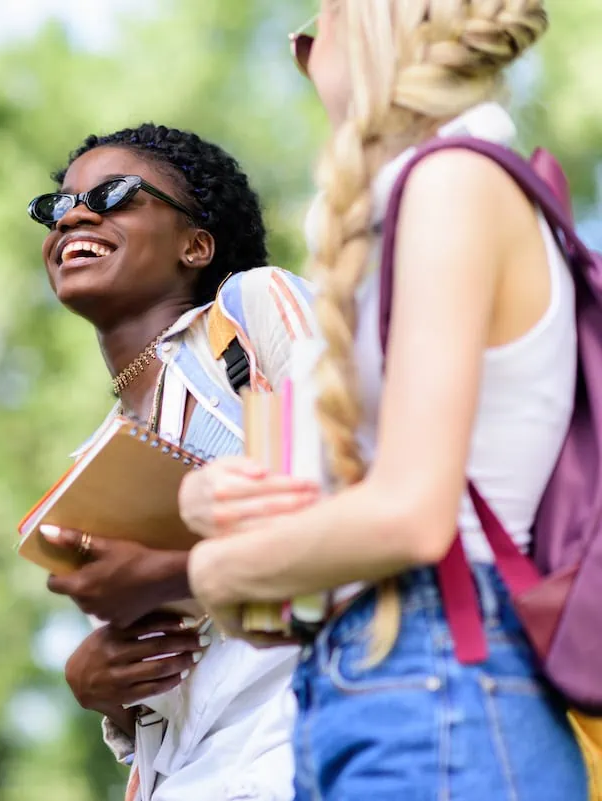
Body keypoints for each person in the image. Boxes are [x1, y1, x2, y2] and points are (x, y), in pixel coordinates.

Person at [179, 2, 589, 799]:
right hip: (389, 689)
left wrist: (217, 567)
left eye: (317, 22)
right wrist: (216, 496)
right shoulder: (431, 191)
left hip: (440, 686)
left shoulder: (451, 183)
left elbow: (410, 513)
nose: (305, 52)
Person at [27, 123, 319, 801]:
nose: (74, 213)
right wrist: (103, 689)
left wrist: (173, 570)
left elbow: (372, 472)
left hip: (315, 742)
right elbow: (179, 677)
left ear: (196, 244)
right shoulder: (102, 460)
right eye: (57, 205)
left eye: (115, 194)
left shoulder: (254, 312)